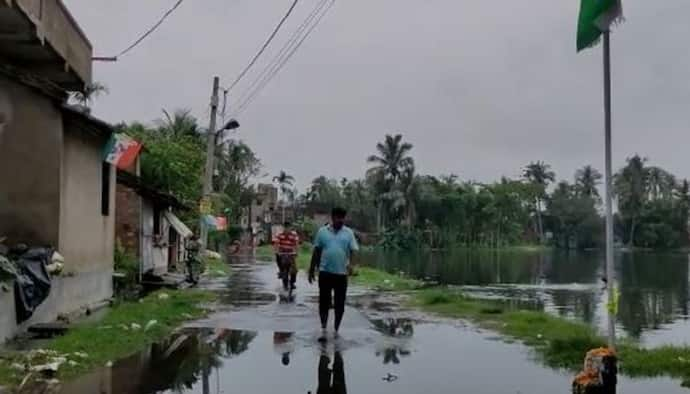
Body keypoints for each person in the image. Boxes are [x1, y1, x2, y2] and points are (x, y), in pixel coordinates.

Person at [308, 207, 358, 341]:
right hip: (325, 273)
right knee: (324, 302)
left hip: (341, 274)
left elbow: (353, 250)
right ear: (332, 217)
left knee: (340, 304)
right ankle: (324, 328)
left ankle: (336, 329)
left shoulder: (349, 233)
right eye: (338, 217)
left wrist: (352, 265)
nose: (340, 220)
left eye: (343, 217)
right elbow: (317, 251)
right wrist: (312, 269)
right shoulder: (322, 232)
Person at [275, 221, 300, 290]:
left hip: (291, 253)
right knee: (280, 261)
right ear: (284, 228)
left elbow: (296, 244)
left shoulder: (294, 234)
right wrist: (277, 251)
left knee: (294, 269)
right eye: (286, 228)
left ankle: (292, 283)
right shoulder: (279, 234)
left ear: (291, 227)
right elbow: (276, 244)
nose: (287, 229)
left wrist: (296, 252)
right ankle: (281, 271)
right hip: (282, 253)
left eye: (288, 227)